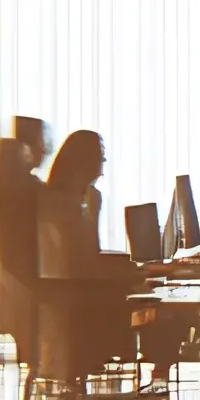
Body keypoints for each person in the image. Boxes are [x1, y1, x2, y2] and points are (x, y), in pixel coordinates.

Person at [36, 129, 138, 380]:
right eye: (100, 157)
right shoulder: (56, 202)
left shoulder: (83, 198)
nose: (103, 165)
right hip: (66, 295)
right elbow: (78, 258)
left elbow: (88, 253)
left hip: (75, 289)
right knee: (143, 310)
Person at [0, 115, 50, 358]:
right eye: (42, 143)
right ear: (27, 148)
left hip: (13, 276)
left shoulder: (7, 180)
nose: (45, 150)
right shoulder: (22, 186)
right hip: (19, 278)